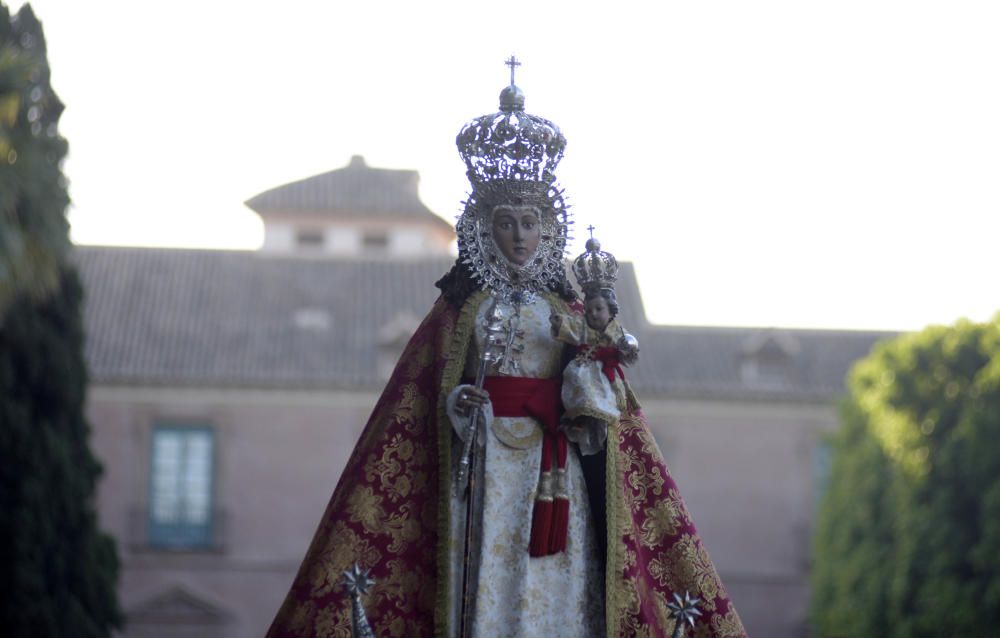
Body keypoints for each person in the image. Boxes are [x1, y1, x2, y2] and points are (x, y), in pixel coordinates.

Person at [266, 64, 747, 638]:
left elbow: (607, 404)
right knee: (485, 569)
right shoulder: (459, 312)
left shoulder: (566, 311)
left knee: (559, 577)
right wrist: (457, 406)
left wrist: (589, 395)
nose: (519, 236)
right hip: (486, 461)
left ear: (548, 230)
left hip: (557, 465)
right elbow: (421, 400)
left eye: (529, 223)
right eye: (506, 223)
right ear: (483, 229)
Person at [550, 235, 639, 458]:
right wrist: (559, 322)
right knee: (577, 383)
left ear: (610, 309)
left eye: (599, 309)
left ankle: (598, 423)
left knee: (602, 398)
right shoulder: (582, 326)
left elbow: (628, 345)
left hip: (603, 376)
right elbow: (571, 328)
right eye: (589, 310)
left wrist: (626, 347)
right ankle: (578, 420)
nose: (593, 314)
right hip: (583, 370)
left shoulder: (615, 331)